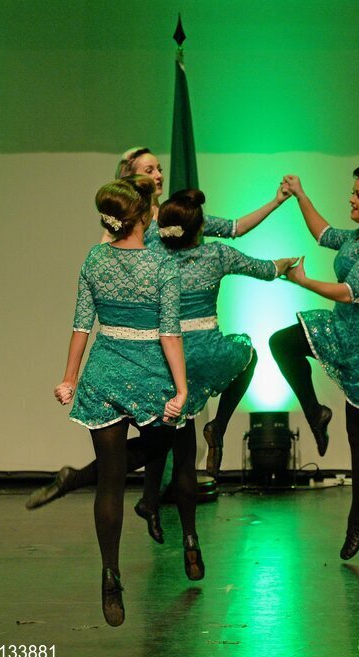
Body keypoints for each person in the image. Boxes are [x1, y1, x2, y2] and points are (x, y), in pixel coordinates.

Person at [26, 155, 291, 513]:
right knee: (162, 445)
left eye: (159, 168)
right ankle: (148, 505)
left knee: (162, 447)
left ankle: (136, 498)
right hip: (154, 352)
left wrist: (276, 201)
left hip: (167, 346)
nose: (158, 174)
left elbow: (233, 227)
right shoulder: (136, 229)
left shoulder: (172, 216)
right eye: (148, 170)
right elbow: (110, 280)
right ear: (130, 181)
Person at [130, 189, 296, 551]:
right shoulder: (215, 253)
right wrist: (284, 265)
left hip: (165, 358)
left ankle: (150, 500)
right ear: (200, 228)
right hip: (206, 354)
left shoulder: (152, 252)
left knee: (161, 433)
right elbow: (265, 270)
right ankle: (217, 426)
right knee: (248, 353)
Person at [54, 176, 187, 626]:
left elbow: (81, 326)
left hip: (105, 371)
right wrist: (183, 389)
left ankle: (110, 573)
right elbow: (170, 333)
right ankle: (149, 501)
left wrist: (69, 379)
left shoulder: (94, 258)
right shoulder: (162, 265)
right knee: (157, 450)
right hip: (150, 375)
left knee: (109, 480)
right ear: (146, 217)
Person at [269, 164, 359, 561]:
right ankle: (315, 412)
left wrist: (303, 282)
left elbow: (348, 291)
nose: (352, 199)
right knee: (283, 343)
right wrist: (300, 193)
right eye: (353, 192)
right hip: (343, 328)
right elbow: (323, 233)